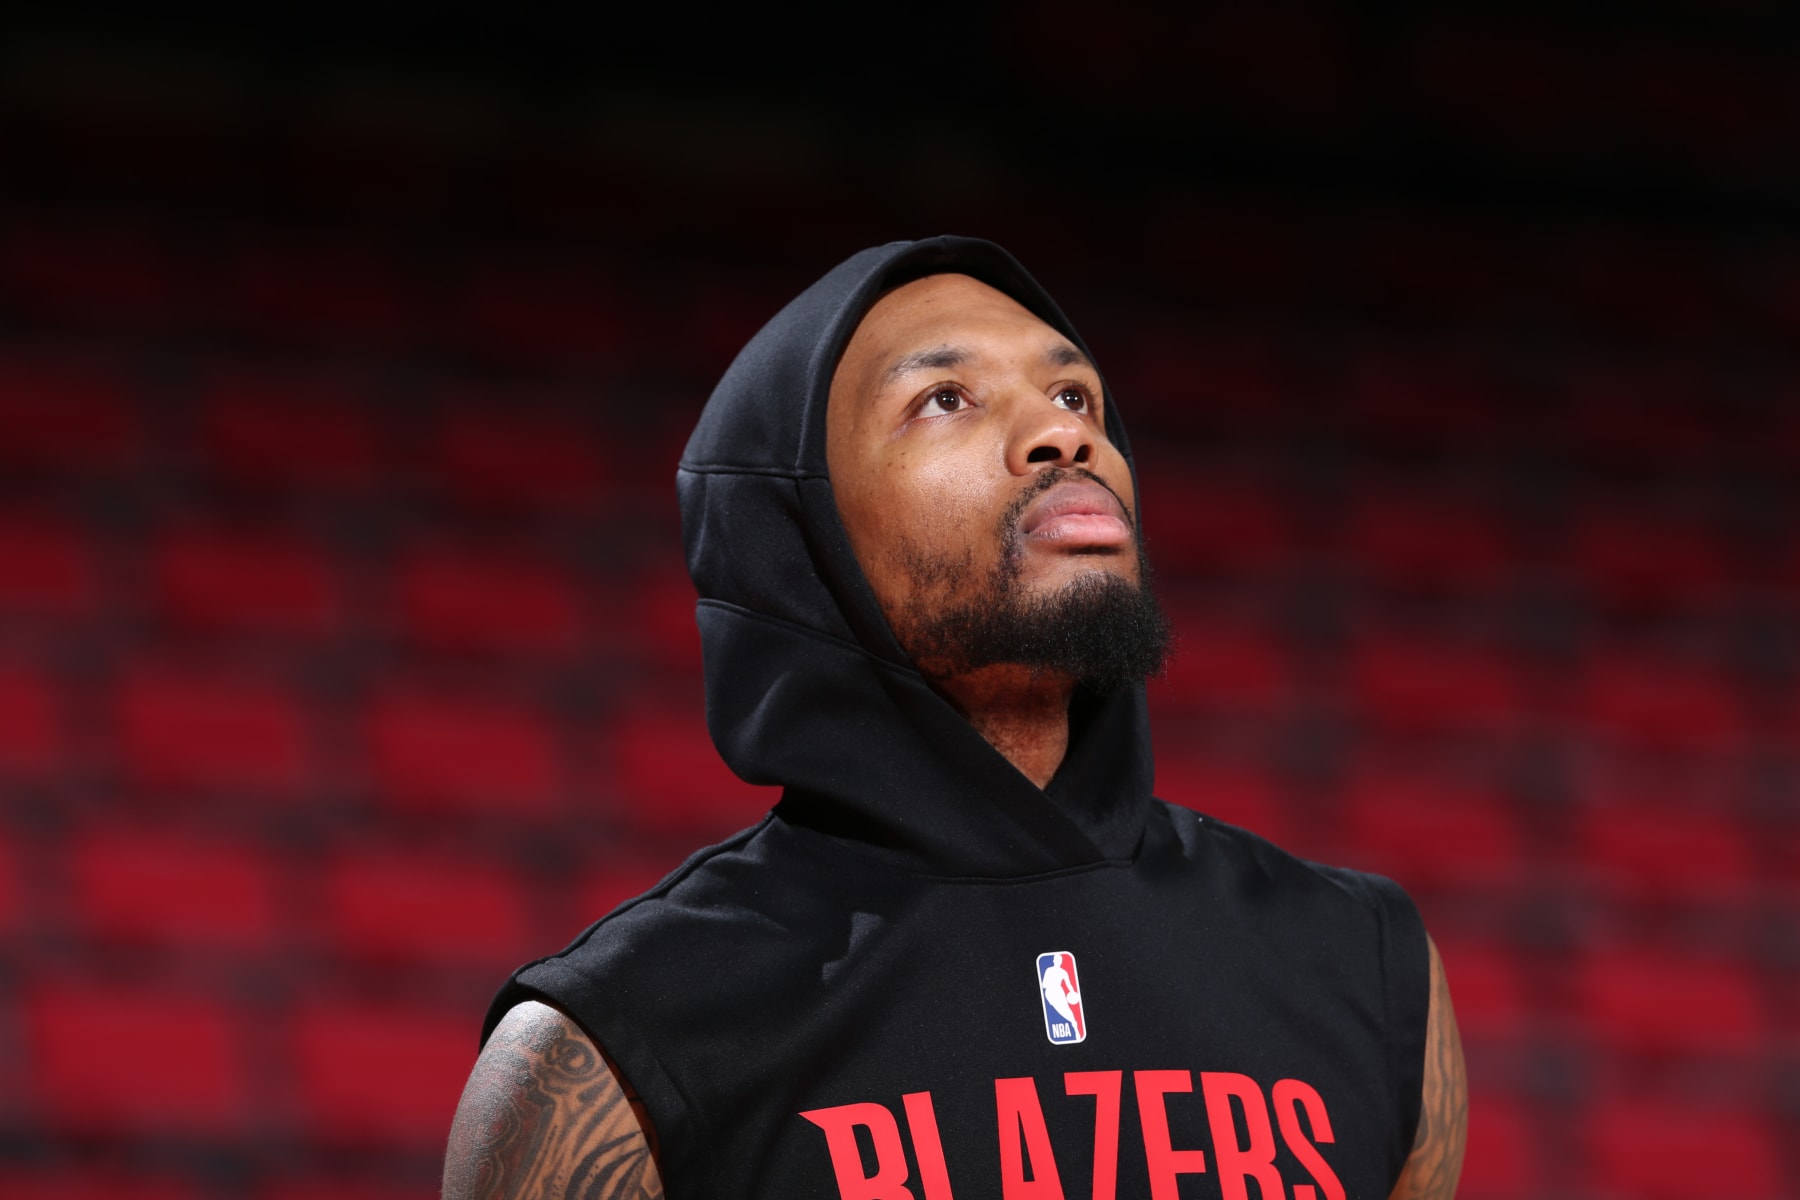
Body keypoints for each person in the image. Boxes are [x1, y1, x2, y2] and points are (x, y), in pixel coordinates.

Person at [443, 236, 1466, 1200]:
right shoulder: (615, 1044)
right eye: (944, 399)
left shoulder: (1367, 965)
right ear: (799, 533)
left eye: (1075, 394)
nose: (1065, 433)